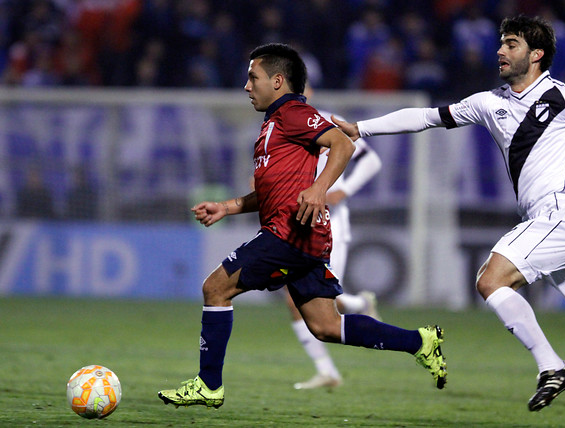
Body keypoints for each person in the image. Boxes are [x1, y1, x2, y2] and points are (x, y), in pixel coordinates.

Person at [333, 15, 565, 412]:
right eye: (501, 43)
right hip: (545, 223)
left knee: (491, 279)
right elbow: (427, 118)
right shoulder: (488, 102)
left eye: (511, 44)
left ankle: (553, 367)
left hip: (561, 214)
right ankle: (556, 365)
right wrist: (361, 128)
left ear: (536, 54)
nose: (500, 50)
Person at [158, 43, 447, 410]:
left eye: (253, 77)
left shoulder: (293, 112)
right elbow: (269, 192)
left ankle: (208, 384)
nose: (247, 86)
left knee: (215, 288)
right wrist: (227, 207)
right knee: (326, 326)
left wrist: (320, 187)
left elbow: (343, 143)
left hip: (289, 233)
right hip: (302, 236)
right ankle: (420, 342)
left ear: (278, 81)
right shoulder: (272, 125)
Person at [284, 84, 383, 390]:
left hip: (331, 224)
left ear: (308, 92)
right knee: (295, 299)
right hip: (299, 224)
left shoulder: (327, 121)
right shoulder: (275, 130)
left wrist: (344, 190)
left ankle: (358, 304)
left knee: (325, 297)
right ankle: (327, 370)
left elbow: (371, 160)